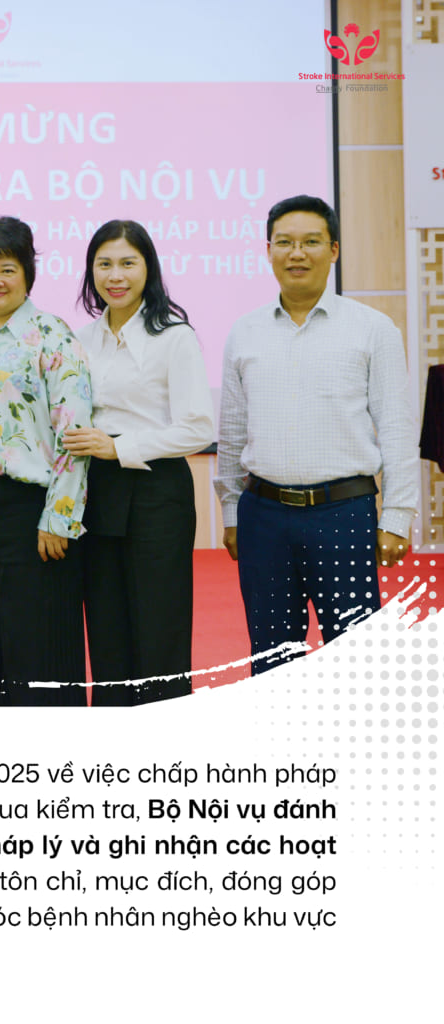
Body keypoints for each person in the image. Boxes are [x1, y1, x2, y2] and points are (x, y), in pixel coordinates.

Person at [215, 195, 419, 674]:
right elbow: (233, 431)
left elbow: (396, 426)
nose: (297, 253)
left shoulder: (373, 329)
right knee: (272, 659)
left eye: (310, 242)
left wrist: (398, 516)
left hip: (343, 514)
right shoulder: (244, 332)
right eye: (284, 243)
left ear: (334, 250)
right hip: (263, 515)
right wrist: (231, 511)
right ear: (268, 251)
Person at [0, 216, 93, 706]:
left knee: (37, 645)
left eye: (7, 269)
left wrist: (60, 517)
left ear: (28, 273)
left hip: (32, 513)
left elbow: (75, 434)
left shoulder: (53, 335)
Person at [63, 221, 213, 705]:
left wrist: (119, 447)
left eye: (128, 263)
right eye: (104, 264)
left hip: (156, 490)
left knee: (158, 625)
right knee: (106, 626)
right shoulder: (80, 339)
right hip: (97, 490)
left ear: (149, 268)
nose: (116, 275)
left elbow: (198, 428)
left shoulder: (173, 337)